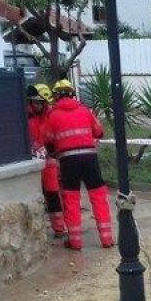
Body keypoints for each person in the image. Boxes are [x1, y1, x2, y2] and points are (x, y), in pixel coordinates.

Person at [44, 79, 112, 250]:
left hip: (68, 161)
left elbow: (48, 140)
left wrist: (55, 151)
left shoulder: (53, 115)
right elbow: (99, 132)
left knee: (71, 199)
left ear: (56, 96)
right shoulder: (85, 110)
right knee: (98, 196)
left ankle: (75, 241)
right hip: (90, 158)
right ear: (72, 94)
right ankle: (107, 239)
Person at [25, 84, 66, 238]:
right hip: (32, 161)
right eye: (35, 102)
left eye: (40, 102)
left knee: (53, 193)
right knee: (34, 196)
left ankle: (59, 228)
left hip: (50, 160)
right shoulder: (25, 117)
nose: (38, 105)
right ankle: (34, 230)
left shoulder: (50, 114)